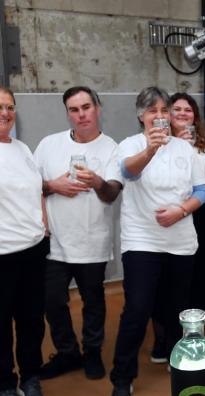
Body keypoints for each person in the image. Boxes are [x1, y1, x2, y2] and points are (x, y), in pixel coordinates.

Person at [109, 86, 205, 396]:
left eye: (164, 111)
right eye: (153, 111)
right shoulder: (130, 145)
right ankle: (122, 378)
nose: (160, 117)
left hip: (181, 241)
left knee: (176, 307)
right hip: (142, 239)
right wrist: (151, 150)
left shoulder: (185, 148)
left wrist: (181, 210)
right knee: (137, 308)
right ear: (141, 116)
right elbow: (126, 172)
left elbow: (202, 191)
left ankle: (174, 358)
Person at [35, 86, 122, 380]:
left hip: (92, 241)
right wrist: (52, 186)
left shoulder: (111, 147)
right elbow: (30, 185)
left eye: (86, 107)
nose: (81, 114)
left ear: (97, 108)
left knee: (93, 301)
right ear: (67, 113)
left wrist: (97, 181)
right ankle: (68, 353)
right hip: (55, 241)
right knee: (52, 301)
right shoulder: (49, 145)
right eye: (74, 109)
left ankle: (92, 352)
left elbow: (111, 194)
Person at [148, 93, 205, 364]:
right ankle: (164, 336)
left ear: (196, 115)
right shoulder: (158, 142)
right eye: (176, 109)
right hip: (173, 211)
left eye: (188, 110)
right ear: (167, 115)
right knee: (169, 276)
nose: (182, 114)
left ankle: (195, 335)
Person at [0, 87, 48, 396]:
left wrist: (43, 224)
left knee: (31, 319)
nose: (5, 113)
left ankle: (31, 377)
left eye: (10, 107)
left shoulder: (22, 148)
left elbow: (37, 191)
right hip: (2, 252)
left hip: (32, 248)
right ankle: (4, 383)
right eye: (0, 107)